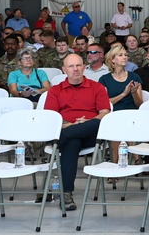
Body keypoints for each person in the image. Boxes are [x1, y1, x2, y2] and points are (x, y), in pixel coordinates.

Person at [44, 53, 111, 212]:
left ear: (84, 67)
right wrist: (72, 125)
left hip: (89, 133)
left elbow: (105, 113)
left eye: (78, 65)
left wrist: (87, 122)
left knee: (96, 123)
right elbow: (51, 118)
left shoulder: (97, 87)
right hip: (66, 130)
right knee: (72, 143)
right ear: (64, 70)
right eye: (71, 66)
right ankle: (66, 193)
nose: (75, 69)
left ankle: (66, 193)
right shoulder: (55, 91)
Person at [99, 44, 143, 112]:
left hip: (132, 114)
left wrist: (134, 93)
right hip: (113, 115)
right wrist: (123, 94)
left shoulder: (135, 77)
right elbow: (104, 104)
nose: (125, 57)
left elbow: (140, 105)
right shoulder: (104, 79)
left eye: (126, 55)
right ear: (112, 59)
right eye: (120, 55)